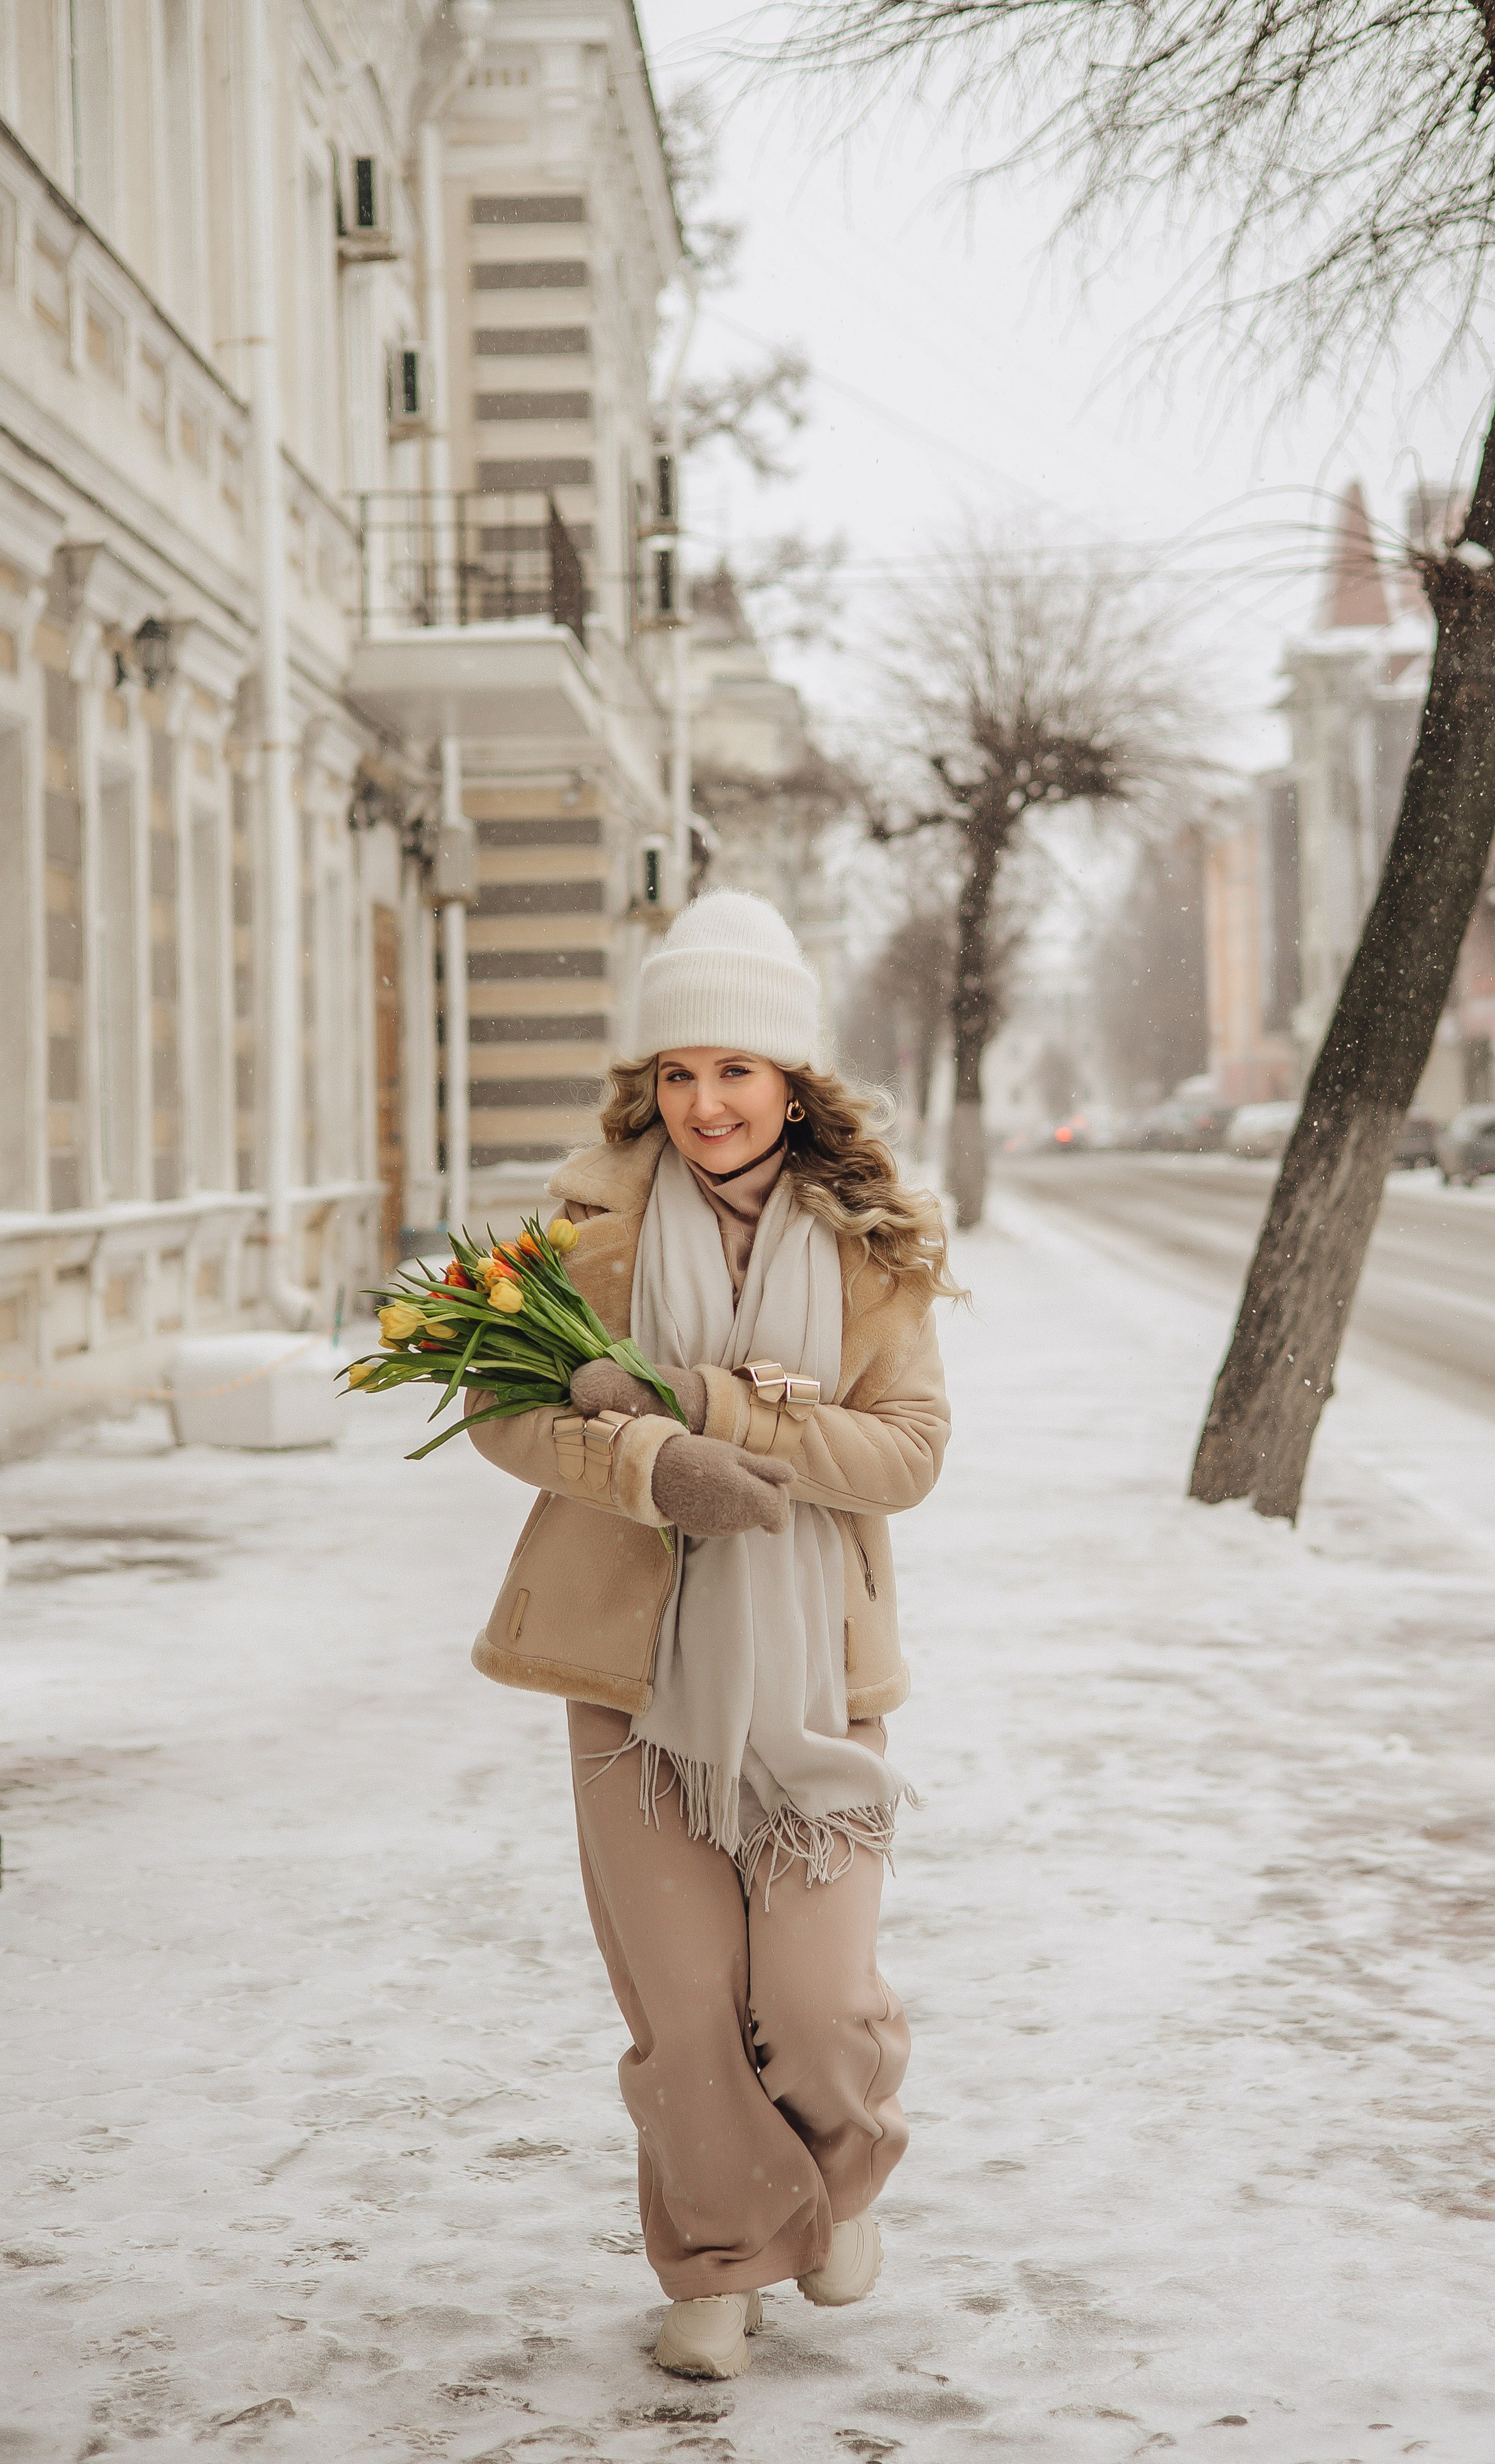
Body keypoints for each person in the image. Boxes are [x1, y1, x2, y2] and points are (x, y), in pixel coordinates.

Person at [466, 890, 955, 2380]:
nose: (704, 1105)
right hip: (624, 1663)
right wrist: (646, 1468)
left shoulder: (868, 1247)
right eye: (676, 1074)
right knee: (683, 2011)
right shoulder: (584, 1231)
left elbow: (910, 1452)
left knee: (811, 2008)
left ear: (791, 1082)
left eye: (734, 1071)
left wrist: (720, 1415)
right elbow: (504, 1412)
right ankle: (724, 2259)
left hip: (818, 1671)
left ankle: (834, 2175)